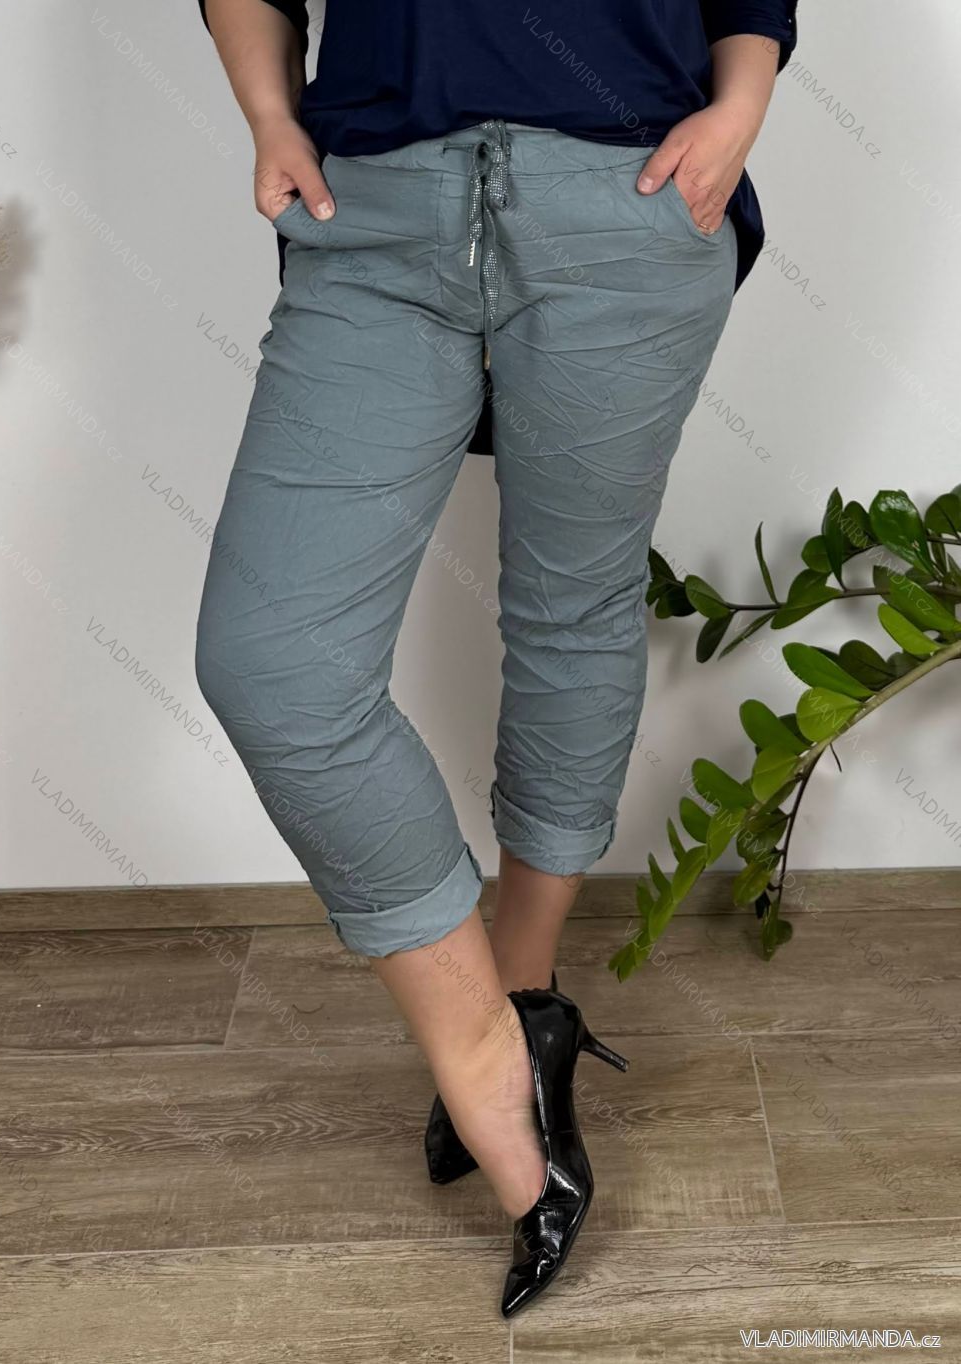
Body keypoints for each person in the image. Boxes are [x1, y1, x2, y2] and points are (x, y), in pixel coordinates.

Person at [193, 0, 798, 1316]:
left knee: (571, 608)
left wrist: (741, 105)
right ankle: (480, 1045)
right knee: (273, 662)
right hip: (375, 209)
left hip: (627, 197)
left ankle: (526, 991)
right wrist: (268, 111)